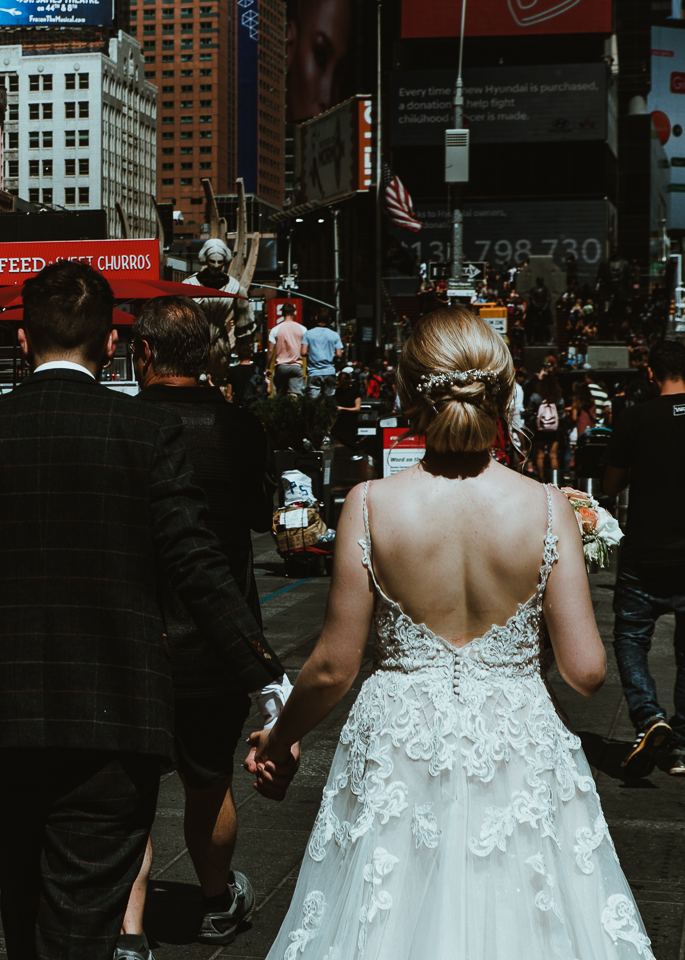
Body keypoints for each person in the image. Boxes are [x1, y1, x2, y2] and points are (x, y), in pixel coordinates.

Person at [0, 262, 287, 960]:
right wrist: (265, 676)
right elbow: (198, 566)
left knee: (22, 896)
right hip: (113, 701)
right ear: (111, 345)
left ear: (21, 337)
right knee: (82, 912)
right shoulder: (142, 434)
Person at [248, 306, 647, 958]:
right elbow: (586, 671)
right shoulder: (549, 506)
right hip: (514, 737)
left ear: (408, 396)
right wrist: (515, 648)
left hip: (400, 740)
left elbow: (332, 667)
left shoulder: (371, 505)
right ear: (500, 394)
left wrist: (278, 740)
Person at [119, 295, 282, 952]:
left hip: (133, 635)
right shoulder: (239, 429)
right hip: (217, 636)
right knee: (209, 779)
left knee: (129, 788)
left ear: (144, 353)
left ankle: (129, 931)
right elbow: (257, 519)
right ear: (208, 356)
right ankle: (216, 902)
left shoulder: (120, 424)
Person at [603, 338, 685, 778]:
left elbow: (612, 485)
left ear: (651, 374)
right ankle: (682, 747)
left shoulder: (634, 419)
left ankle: (649, 716)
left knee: (631, 638)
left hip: (646, 550)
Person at [302, 313, 344, 398]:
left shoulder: (308, 333)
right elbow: (339, 354)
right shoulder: (335, 335)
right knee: (328, 401)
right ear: (329, 319)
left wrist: (313, 353)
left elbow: (303, 352)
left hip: (314, 372)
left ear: (316, 318)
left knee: (313, 402)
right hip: (329, 371)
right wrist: (330, 354)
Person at [269, 303, 307, 396]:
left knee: (281, 395)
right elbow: (305, 350)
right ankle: (293, 410)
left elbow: (270, 351)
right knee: (294, 394)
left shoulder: (275, 329)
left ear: (282, 313)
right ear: (294, 312)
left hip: (281, 367)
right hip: (296, 366)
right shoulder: (303, 329)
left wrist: (267, 367)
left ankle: (283, 410)